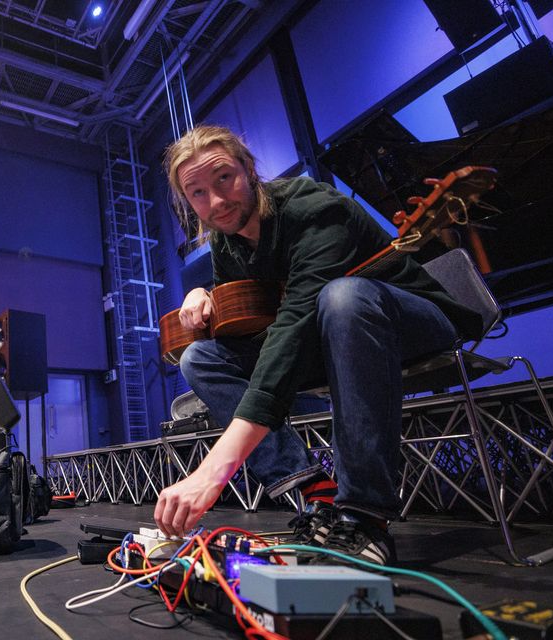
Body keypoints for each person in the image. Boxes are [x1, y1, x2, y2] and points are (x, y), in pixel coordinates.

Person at [153, 126, 483, 565]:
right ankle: (316, 492)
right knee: (200, 357)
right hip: (330, 342)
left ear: (249, 170)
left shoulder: (314, 209)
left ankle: (366, 514)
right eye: (197, 193)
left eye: (224, 179)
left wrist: (216, 468)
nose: (215, 202)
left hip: (414, 324)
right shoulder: (224, 242)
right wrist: (204, 295)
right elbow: (254, 315)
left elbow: (292, 327)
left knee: (343, 297)